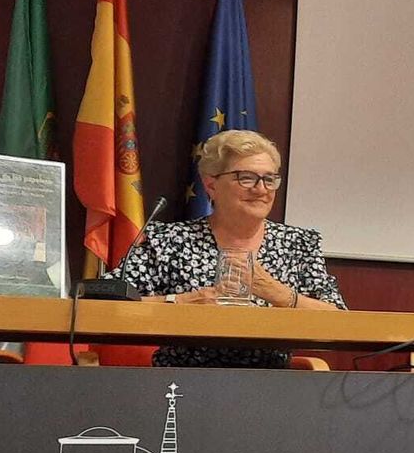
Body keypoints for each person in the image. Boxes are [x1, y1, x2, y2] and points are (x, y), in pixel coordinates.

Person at [106, 129, 346, 368]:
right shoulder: (169, 239)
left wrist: (277, 293)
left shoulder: (298, 244)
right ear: (211, 185)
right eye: (246, 177)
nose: (261, 189)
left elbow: (339, 321)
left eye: (269, 179)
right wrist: (180, 301)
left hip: (270, 386)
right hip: (182, 383)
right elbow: (107, 303)